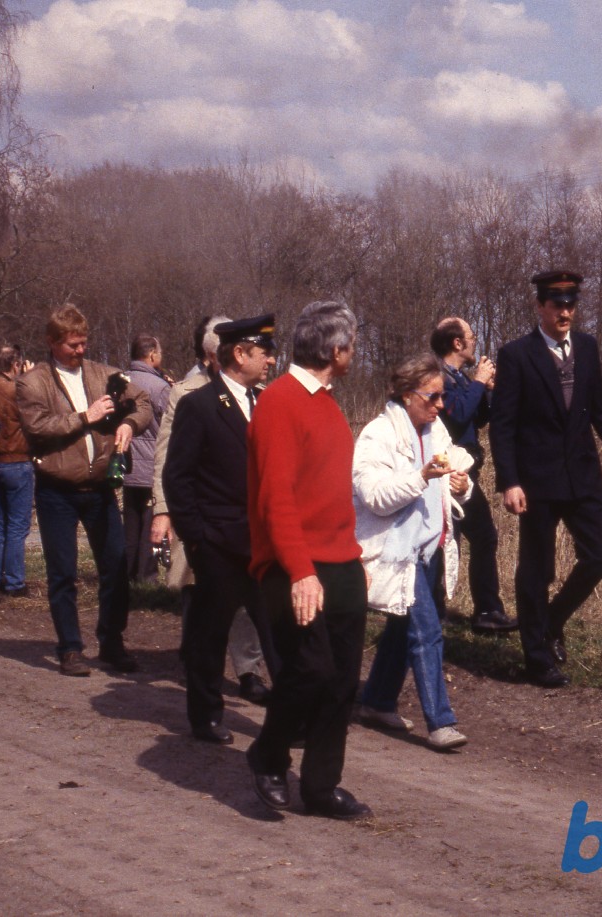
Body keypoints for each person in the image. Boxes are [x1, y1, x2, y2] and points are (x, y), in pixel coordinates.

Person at [489, 270, 602, 688]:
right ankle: (536, 659)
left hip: (583, 477)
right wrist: (508, 481)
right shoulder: (516, 354)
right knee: (537, 570)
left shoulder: (587, 348)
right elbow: (502, 426)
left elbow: (601, 413)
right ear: (540, 306)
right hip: (536, 482)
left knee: (601, 556)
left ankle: (550, 622)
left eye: (571, 303)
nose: (565, 311)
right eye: (556, 303)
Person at [244, 300, 371, 820]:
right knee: (312, 670)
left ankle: (320, 787)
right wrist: (300, 571)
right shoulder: (280, 402)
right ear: (336, 349)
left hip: (341, 563)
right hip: (295, 564)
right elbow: (277, 497)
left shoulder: (328, 403)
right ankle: (268, 753)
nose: (354, 354)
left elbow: (331, 493)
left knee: (342, 681)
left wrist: (353, 557)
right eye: (352, 346)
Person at [17, 305, 153, 677]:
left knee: (115, 566)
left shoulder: (104, 373)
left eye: (83, 343)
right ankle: (70, 648)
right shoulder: (33, 382)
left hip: (100, 488)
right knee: (62, 571)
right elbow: (37, 427)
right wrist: (84, 418)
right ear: (52, 342)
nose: (79, 351)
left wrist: (129, 424)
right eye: (72, 345)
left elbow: (144, 403)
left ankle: (111, 642)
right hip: (56, 490)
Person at [164, 314, 280, 745]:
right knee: (210, 632)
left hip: (263, 541)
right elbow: (178, 477)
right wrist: (196, 537)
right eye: (263, 351)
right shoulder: (199, 404)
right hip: (217, 541)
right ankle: (206, 714)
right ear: (239, 353)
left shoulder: (266, 402)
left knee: (277, 626)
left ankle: (290, 716)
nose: (270, 359)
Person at [353, 354, 474, 751]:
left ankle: (375, 700)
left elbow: (453, 474)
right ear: (407, 395)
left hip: (430, 544)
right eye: (433, 397)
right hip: (395, 549)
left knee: (404, 626)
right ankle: (440, 722)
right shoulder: (377, 435)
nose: (441, 406)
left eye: (442, 397)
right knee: (427, 630)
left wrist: (460, 485)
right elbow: (374, 497)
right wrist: (420, 477)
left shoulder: (433, 428)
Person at [431, 316, 515, 633]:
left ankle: (480, 610)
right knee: (464, 538)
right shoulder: (438, 379)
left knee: (472, 538)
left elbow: (478, 419)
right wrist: (479, 381)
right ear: (457, 342)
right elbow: (458, 415)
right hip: (448, 472)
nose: (474, 340)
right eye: (470, 335)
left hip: (466, 470)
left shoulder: (461, 379)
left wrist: (489, 389)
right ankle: (480, 611)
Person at [0, 344, 33, 601]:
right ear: (15, 365)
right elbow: (33, 415)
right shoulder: (17, 389)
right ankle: (14, 581)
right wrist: (28, 378)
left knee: (0, 524)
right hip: (17, 459)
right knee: (18, 526)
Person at [121, 333, 171, 584]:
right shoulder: (159, 387)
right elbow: (169, 424)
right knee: (151, 525)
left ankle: (127, 574)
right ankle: (147, 576)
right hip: (151, 463)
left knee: (130, 524)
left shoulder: (120, 381)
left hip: (126, 462)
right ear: (152, 355)